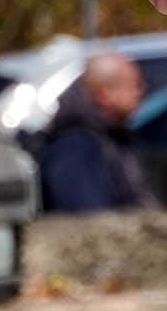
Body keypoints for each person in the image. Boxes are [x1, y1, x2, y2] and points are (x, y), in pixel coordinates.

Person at [35, 50, 159, 213]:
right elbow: (85, 216)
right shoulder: (75, 146)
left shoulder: (113, 136)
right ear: (104, 94)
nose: (141, 91)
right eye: (134, 85)